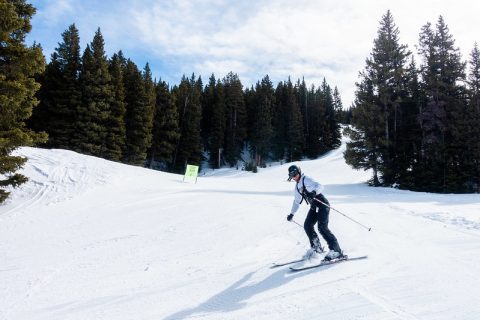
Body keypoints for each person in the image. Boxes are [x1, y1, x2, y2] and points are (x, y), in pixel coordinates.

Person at [286, 165, 343, 261]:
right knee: (307, 225)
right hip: (314, 207)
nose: (294, 176)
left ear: (299, 172)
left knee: (322, 227)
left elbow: (320, 186)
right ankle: (316, 248)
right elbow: (296, 201)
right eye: (291, 175)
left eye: (295, 174)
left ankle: (336, 251)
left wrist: (314, 192)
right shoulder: (297, 186)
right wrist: (292, 213)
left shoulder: (306, 179)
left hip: (322, 204)